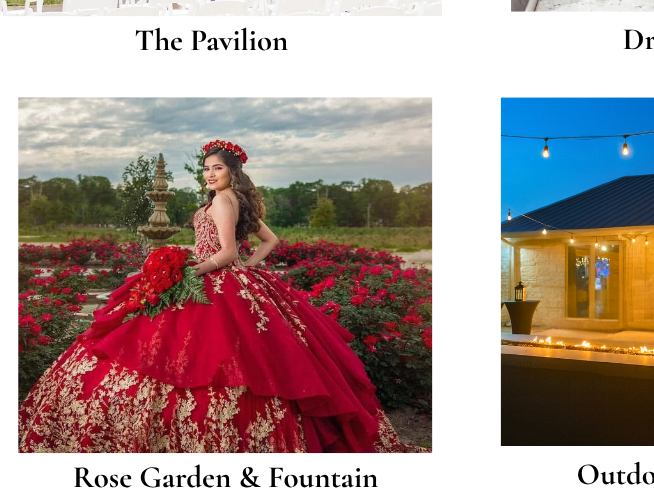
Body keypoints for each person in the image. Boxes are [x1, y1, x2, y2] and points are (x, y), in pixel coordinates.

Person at [17, 139, 433, 454]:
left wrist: (187, 271)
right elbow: (269, 241)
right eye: (206, 169)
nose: (210, 174)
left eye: (217, 168)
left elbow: (227, 252)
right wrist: (251, 267)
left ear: (232, 171)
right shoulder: (238, 200)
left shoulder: (222, 200)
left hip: (214, 277)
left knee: (199, 355)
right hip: (234, 279)